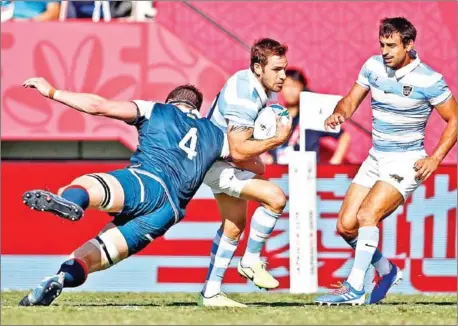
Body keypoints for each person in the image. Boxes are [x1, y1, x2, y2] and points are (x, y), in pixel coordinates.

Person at [18, 77, 262, 307]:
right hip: (168, 213)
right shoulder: (214, 135)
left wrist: (52, 92)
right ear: (197, 108)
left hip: (147, 181)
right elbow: (255, 164)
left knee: (85, 185)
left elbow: (97, 106)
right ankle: (59, 279)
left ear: (171, 101)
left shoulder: (156, 110)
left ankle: (71, 201)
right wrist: (272, 139)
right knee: (92, 257)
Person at [314, 17, 456, 306]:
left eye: (391, 45)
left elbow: (454, 119)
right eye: (382, 44)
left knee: (368, 216)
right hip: (376, 157)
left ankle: (354, 288)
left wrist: (435, 158)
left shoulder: (429, 79)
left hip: (407, 161)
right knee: (345, 226)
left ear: (409, 45)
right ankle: (386, 270)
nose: (385, 51)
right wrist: (339, 113)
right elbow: (350, 100)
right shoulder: (373, 67)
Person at [199, 38, 292, 307]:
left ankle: (211, 292)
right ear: (258, 67)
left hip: (218, 158)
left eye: (284, 68)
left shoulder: (254, 85)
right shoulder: (244, 95)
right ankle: (250, 260)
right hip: (215, 162)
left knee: (234, 224)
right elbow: (240, 152)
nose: (283, 76)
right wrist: (277, 139)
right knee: (275, 197)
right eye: (277, 69)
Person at [263, 68, 351, 165]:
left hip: (308, 175)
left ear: (303, 88)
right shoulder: (274, 118)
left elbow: (344, 137)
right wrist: (264, 157)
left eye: (295, 86)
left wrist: (335, 162)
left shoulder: (314, 116)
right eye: (287, 86)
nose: (290, 90)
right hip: (278, 176)